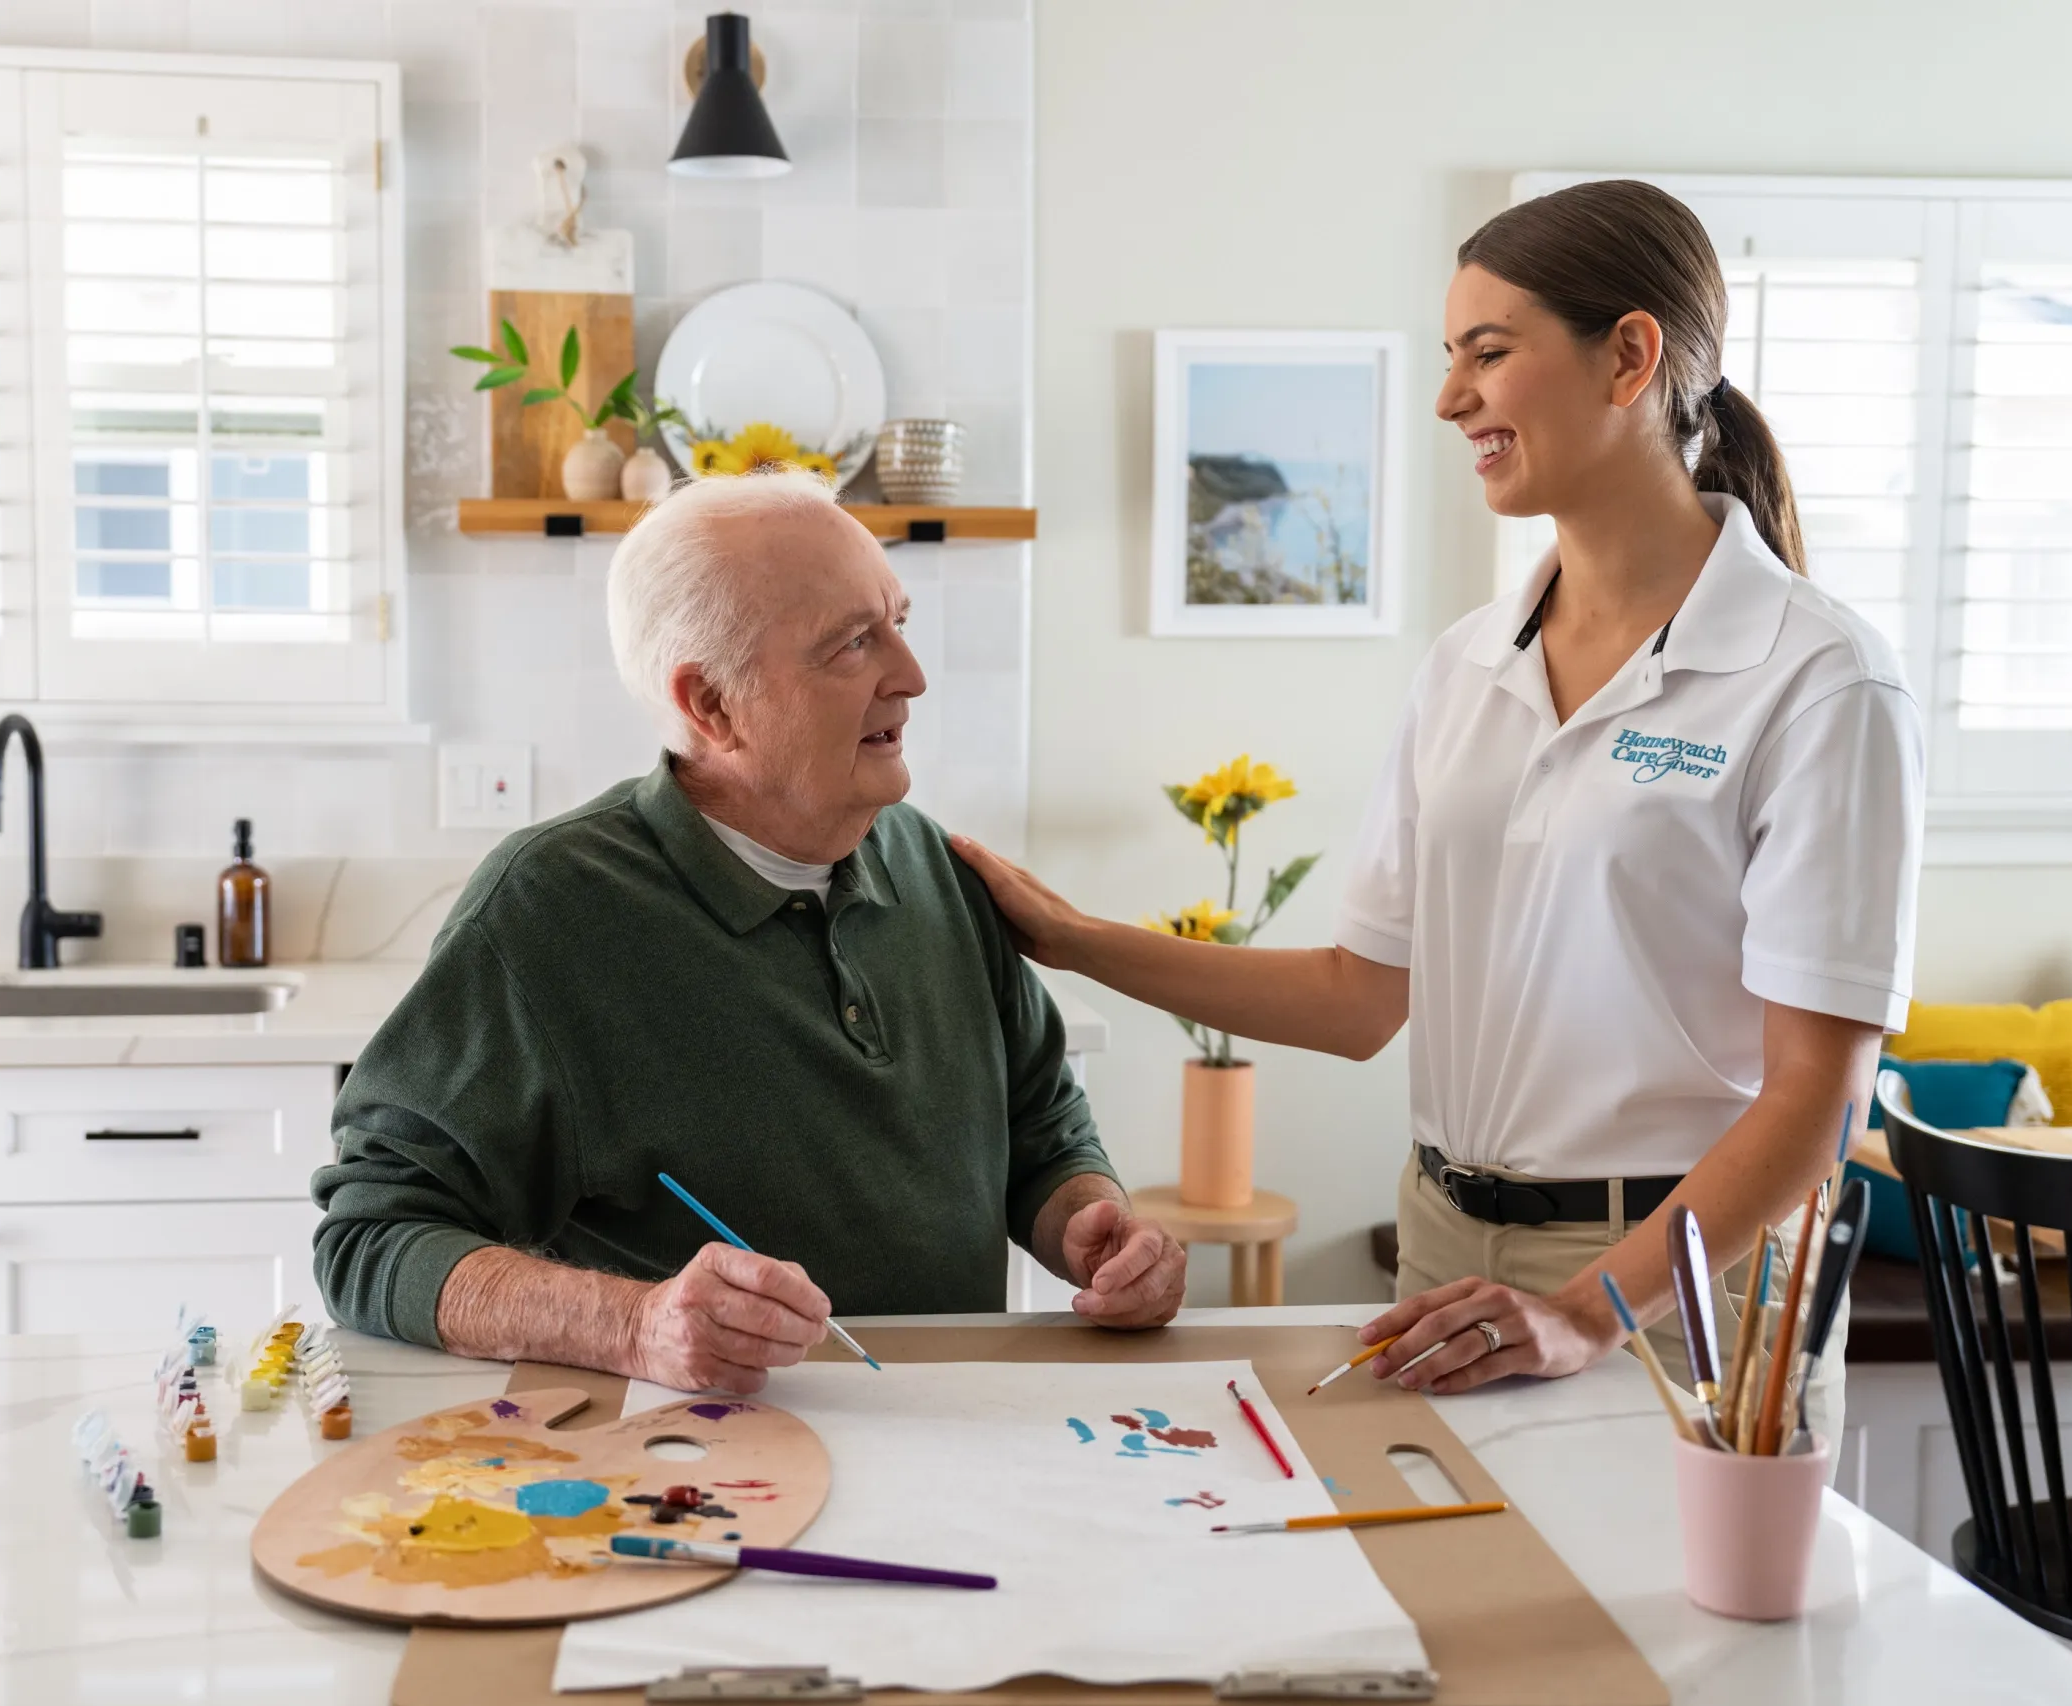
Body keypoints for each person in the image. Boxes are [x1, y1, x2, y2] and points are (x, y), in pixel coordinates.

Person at [955, 180, 1923, 1451]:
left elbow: (1819, 1093)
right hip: (1444, 1246)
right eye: (1447, 355)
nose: (1448, 398)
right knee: (1461, 1622)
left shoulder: (1815, 676)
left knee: (1675, 1653)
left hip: (1684, 1284)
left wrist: (1584, 1308)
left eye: (1488, 352)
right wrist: (1076, 937)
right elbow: (1363, 994)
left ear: (1629, 356)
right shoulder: (1468, 663)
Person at [312, 471, 1187, 1393]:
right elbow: (371, 1238)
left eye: (898, 621)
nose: (912, 676)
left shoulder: (934, 863)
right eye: (853, 644)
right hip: (697, 1479)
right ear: (712, 706)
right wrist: (635, 1324)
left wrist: (1092, 1224)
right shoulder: (545, 913)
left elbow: (1043, 1127)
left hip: (955, 1441)